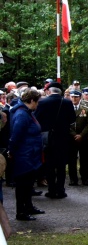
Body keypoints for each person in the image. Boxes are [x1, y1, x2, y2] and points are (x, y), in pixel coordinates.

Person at [8, 88, 45, 221]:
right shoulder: (22, 114)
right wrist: (12, 151)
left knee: (28, 183)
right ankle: (21, 211)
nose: (38, 104)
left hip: (30, 154)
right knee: (23, 184)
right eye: (37, 102)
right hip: (24, 155)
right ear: (31, 101)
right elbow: (16, 135)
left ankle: (28, 206)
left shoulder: (28, 112)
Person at [34, 82, 76, 199]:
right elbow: (72, 119)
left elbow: (36, 119)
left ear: (49, 91)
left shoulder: (42, 102)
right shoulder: (67, 102)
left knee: (49, 165)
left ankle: (51, 190)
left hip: (47, 138)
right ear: (60, 92)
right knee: (61, 166)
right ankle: (61, 190)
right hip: (63, 138)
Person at [68, 90, 88, 186]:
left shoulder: (85, 109)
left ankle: (85, 178)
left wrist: (81, 135)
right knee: (72, 160)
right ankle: (73, 179)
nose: (74, 99)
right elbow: (66, 123)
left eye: (76, 97)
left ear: (80, 97)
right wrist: (74, 134)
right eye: (72, 97)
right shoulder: (67, 109)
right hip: (71, 138)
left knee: (85, 159)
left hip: (83, 138)